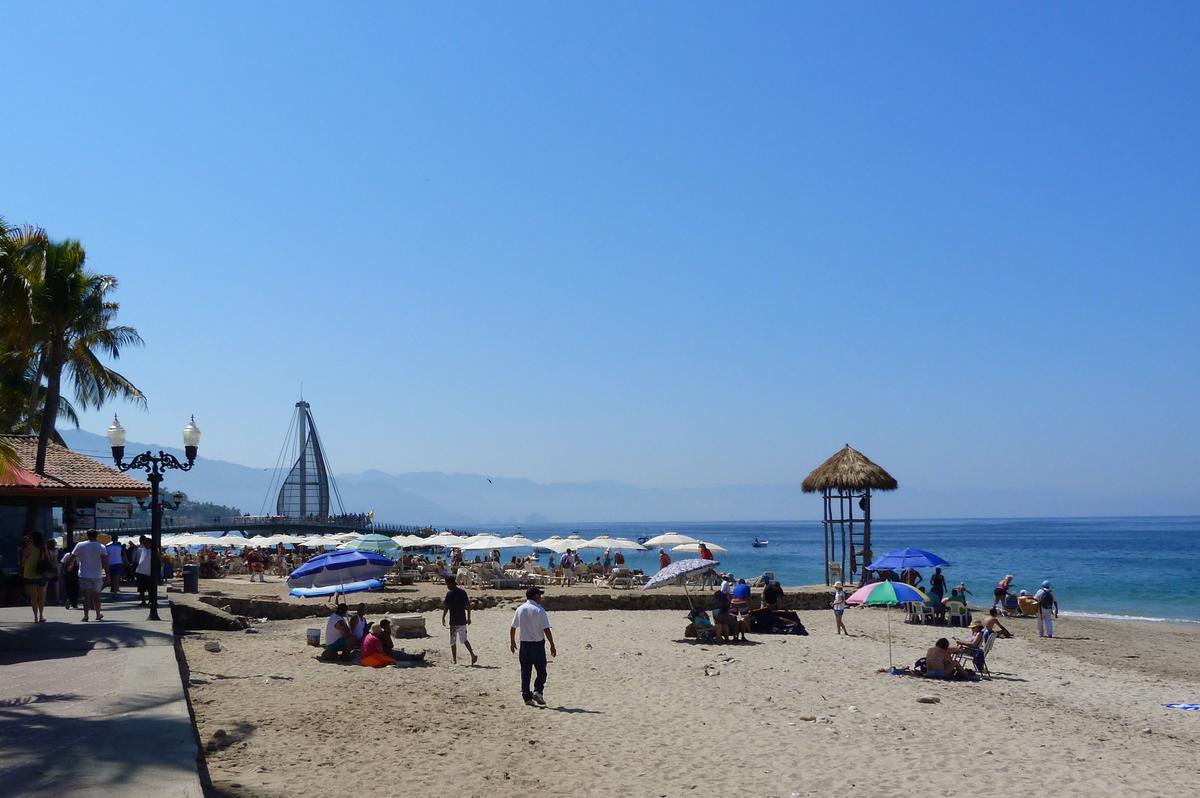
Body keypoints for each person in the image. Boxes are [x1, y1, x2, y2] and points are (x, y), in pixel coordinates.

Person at [510, 587, 556, 706]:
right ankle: (537, 691)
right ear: (535, 596)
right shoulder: (539, 610)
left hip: (524, 645)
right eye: (539, 595)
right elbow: (546, 629)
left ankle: (527, 698)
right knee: (541, 671)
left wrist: (512, 641)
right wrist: (552, 644)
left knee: (525, 672)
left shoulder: (520, 609)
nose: (540, 597)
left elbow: (513, 627)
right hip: (537, 645)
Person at [65, 530, 109, 622]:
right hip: (97, 574)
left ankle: (86, 616)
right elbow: (104, 561)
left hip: (84, 574)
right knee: (97, 595)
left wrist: (70, 566)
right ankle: (97, 614)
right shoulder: (101, 546)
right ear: (96, 536)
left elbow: (72, 557)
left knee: (86, 596)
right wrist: (108, 574)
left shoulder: (80, 545)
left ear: (87, 536)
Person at [442, 576, 478, 665]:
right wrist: (469, 618)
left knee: (453, 641)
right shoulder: (463, 592)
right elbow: (468, 606)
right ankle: (472, 655)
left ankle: (454, 660)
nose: (447, 586)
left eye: (447, 584)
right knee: (464, 640)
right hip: (462, 620)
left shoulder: (449, 594)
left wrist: (443, 617)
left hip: (454, 621)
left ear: (451, 583)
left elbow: (446, 607)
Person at [21, 532, 53, 623]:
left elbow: (22, 562)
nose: (29, 539)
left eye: (31, 538)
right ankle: (41, 616)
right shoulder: (43, 548)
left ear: (33, 539)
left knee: (33, 597)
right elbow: (48, 559)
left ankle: (35, 617)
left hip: (30, 574)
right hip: (41, 574)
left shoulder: (28, 548)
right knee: (42, 596)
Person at [134, 536, 154, 606]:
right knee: (141, 589)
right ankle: (143, 601)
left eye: (146, 543)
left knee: (149, 589)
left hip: (148, 573)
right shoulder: (143, 549)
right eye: (144, 543)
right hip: (140, 571)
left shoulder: (153, 551)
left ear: (150, 543)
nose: (145, 544)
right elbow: (136, 548)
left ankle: (150, 601)